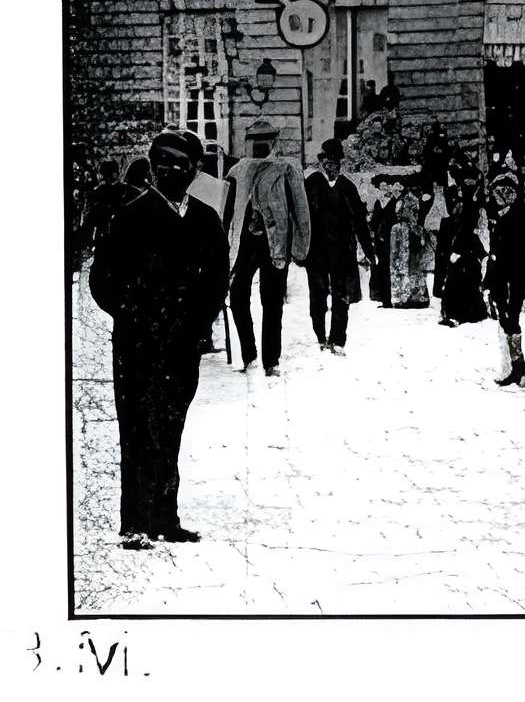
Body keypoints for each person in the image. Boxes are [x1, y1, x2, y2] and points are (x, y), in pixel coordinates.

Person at [89, 128, 229, 548]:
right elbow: (102, 280)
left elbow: (217, 281)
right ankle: (135, 522)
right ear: (151, 167)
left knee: (170, 428)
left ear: (196, 170)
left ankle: (166, 518)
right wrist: (136, 317)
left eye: (180, 164)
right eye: (162, 162)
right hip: (137, 346)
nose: (170, 170)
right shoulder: (131, 214)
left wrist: (195, 325)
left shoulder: (206, 219)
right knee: (137, 431)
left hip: (182, 347)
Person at [223, 117, 311, 377]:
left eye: (264, 141)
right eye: (254, 141)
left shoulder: (287, 169)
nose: (259, 146)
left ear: (274, 142)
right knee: (238, 296)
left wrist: (300, 246)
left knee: (272, 302)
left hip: (275, 244)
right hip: (243, 244)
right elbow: (226, 212)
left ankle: (271, 361)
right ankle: (249, 355)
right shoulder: (237, 171)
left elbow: (301, 210)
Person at [303, 138, 371, 354]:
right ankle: (321, 336)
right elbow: (301, 216)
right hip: (317, 251)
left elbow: (360, 220)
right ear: (321, 163)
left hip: (343, 251)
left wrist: (369, 251)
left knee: (342, 296)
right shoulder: (312, 183)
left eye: (335, 163)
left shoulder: (347, 187)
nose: (332, 167)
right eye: (328, 162)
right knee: (318, 295)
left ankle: (338, 340)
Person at [484, 170, 525, 389]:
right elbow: (493, 252)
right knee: (504, 320)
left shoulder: (521, 216)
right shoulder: (495, 215)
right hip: (499, 277)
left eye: (501, 193)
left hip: (516, 278)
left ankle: (521, 371)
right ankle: (515, 370)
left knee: (512, 320)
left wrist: (523, 264)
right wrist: (487, 280)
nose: (496, 197)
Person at [438, 176, 489, 326]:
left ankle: (462, 314)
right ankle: (459, 313)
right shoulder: (463, 209)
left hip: (466, 252)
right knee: (458, 282)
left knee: (462, 282)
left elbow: (467, 231)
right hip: (464, 251)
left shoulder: (471, 209)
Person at [388, 182, 434, 308]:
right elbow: (394, 249)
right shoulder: (397, 228)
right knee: (403, 270)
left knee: (413, 269)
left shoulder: (417, 229)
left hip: (412, 252)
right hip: (403, 251)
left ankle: (415, 297)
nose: (414, 213)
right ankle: (405, 297)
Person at [366, 175, 398, 305]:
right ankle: (379, 295)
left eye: (386, 186)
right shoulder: (378, 202)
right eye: (382, 186)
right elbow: (374, 220)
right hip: (379, 239)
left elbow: (395, 219)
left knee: (388, 265)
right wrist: (374, 231)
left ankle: (389, 297)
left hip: (391, 237)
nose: (385, 188)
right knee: (379, 265)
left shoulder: (394, 202)